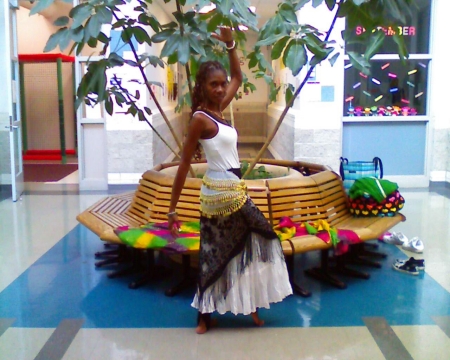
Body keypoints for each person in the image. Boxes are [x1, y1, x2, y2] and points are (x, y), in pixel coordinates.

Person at [168, 26, 292, 334]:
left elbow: (238, 75)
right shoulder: (200, 118)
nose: (222, 89)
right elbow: (184, 163)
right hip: (217, 193)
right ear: (203, 87)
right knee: (213, 252)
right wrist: (171, 209)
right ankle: (204, 315)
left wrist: (231, 44)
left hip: (235, 189)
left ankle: (249, 303)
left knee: (252, 240)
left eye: (222, 85)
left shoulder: (220, 112)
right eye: (214, 85)